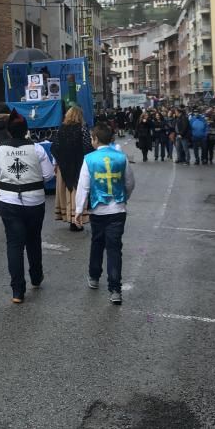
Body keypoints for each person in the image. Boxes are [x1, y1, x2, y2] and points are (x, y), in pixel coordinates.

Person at [0, 109, 54, 304]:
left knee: (14, 244)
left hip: (9, 201)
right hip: (34, 201)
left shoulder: (0, 149)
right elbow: (48, 175)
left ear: (8, 131)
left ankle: (17, 290)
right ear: (26, 130)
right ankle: (36, 276)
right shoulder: (37, 149)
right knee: (33, 240)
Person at [74, 122, 135, 305]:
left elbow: (83, 187)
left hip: (97, 210)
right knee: (115, 248)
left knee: (97, 243)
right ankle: (115, 289)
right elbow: (130, 183)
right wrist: (124, 198)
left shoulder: (89, 159)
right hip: (117, 209)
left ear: (95, 139)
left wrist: (78, 210)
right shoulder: (121, 157)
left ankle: (94, 276)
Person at [51, 106, 93, 232]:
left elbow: (54, 148)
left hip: (64, 166)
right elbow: (87, 147)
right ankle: (77, 219)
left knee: (66, 193)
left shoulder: (61, 129)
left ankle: (69, 217)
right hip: (79, 165)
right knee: (77, 192)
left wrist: (59, 161)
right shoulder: (82, 129)